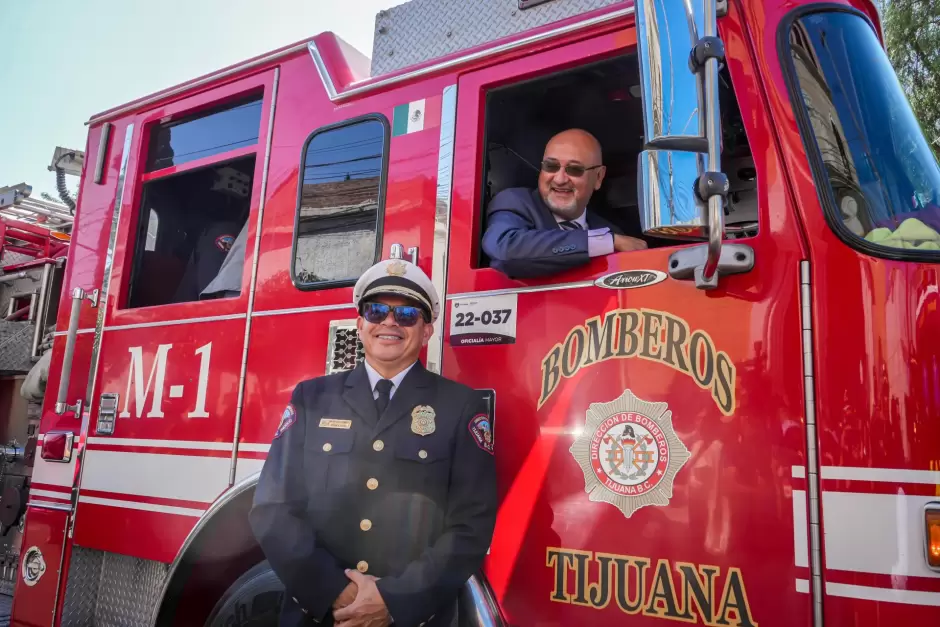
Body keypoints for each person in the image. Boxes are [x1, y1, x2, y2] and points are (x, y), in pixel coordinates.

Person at [250, 258, 498, 627]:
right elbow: (273, 507)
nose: (389, 323)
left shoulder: (460, 407)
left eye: (408, 315)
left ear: (427, 331)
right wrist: (335, 590)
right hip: (319, 615)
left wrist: (394, 601)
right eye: (377, 310)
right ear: (360, 323)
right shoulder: (311, 398)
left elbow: (471, 526)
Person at [481, 128, 647, 278]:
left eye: (574, 169)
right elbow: (505, 248)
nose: (560, 179)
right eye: (551, 166)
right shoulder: (515, 202)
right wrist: (604, 242)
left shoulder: (611, 231)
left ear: (598, 177)